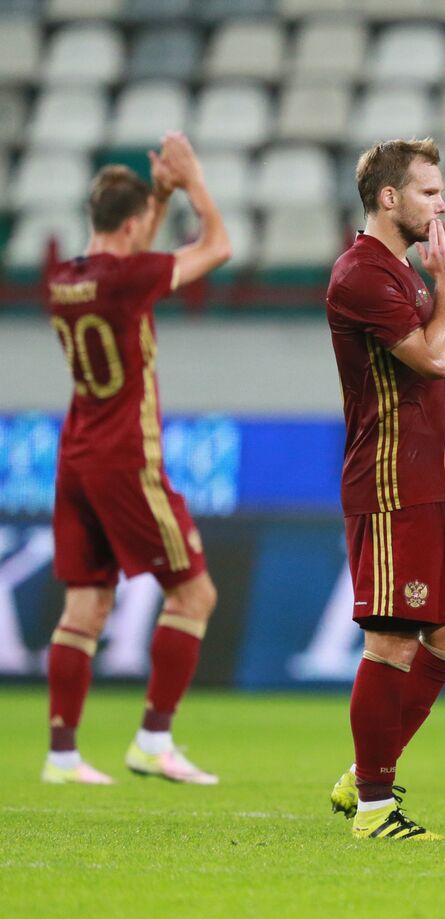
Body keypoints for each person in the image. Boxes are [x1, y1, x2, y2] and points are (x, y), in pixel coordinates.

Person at [42, 132, 230, 786]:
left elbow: (130, 255)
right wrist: (193, 180)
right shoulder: (126, 280)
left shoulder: (65, 278)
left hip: (75, 455)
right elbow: (217, 247)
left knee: (85, 606)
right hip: (127, 458)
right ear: (129, 225)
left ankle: (62, 754)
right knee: (194, 592)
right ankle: (153, 738)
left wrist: (159, 193)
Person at [324, 138, 445, 842]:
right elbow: (436, 359)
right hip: (387, 480)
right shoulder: (363, 274)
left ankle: (367, 768)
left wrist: (435, 283)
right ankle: (376, 807)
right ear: (388, 198)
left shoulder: (397, 270)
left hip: (423, 481)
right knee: (390, 641)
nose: (441, 204)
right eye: (428, 192)